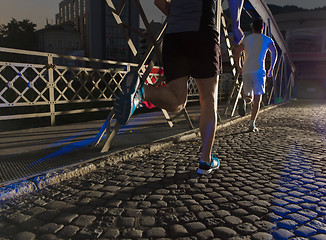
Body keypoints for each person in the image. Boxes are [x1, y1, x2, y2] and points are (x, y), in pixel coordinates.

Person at [114, 0, 244, 175]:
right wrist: (236, 25)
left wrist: (175, 11)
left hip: (174, 36)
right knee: (208, 100)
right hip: (203, 32)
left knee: (177, 100)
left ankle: (142, 92)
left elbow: (158, 1)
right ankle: (205, 160)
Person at [235, 18, 278, 132]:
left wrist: (239, 66)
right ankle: (252, 124)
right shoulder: (267, 39)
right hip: (259, 71)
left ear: (252, 27)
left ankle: (244, 100)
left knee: (248, 97)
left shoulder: (246, 39)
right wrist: (271, 68)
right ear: (262, 28)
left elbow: (237, 52)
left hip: (247, 71)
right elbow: (274, 52)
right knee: (257, 99)